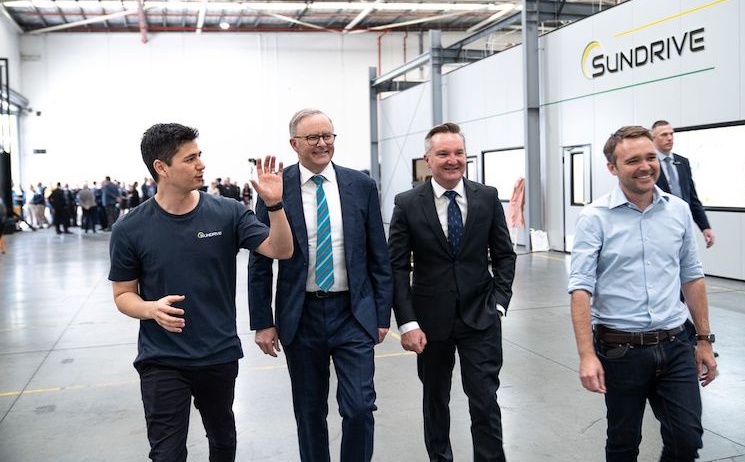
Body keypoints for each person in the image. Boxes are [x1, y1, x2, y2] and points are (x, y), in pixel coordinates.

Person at [108, 123, 293, 462]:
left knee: (223, 441)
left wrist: (275, 205)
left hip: (217, 354)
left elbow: (280, 250)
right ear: (161, 168)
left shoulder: (228, 212)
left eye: (200, 155)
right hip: (161, 359)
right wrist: (150, 309)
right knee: (166, 453)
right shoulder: (129, 228)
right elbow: (123, 294)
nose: (201, 165)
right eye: (190, 158)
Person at [248, 108, 393, 462]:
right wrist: (263, 321)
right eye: (312, 137)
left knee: (359, 407)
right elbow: (260, 262)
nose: (322, 143)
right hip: (302, 315)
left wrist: (382, 314)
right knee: (310, 412)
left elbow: (379, 254)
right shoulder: (275, 190)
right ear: (294, 144)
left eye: (328, 135)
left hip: (353, 313)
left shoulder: (361, 185)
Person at [568, 126, 717, 462]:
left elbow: (692, 276)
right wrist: (586, 355)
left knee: (687, 438)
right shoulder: (595, 218)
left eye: (650, 157)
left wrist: (705, 340)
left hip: (677, 344)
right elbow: (580, 289)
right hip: (620, 350)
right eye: (633, 160)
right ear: (612, 168)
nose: (646, 166)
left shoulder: (678, 210)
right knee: (623, 443)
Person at [388, 122, 516, 462]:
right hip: (430, 322)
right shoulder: (407, 203)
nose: (452, 160)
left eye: (458, 153)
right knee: (435, 400)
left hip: (482, 317)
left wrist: (500, 303)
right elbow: (397, 267)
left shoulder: (486, 197)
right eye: (443, 153)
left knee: (485, 400)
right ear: (427, 159)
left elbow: (504, 254)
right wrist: (408, 322)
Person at [651, 120, 715, 248]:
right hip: (658, 226)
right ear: (653, 139)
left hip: (683, 223)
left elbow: (692, 198)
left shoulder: (682, 162)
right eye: (664, 135)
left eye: (671, 134)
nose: (669, 138)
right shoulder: (649, 163)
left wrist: (705, 227)